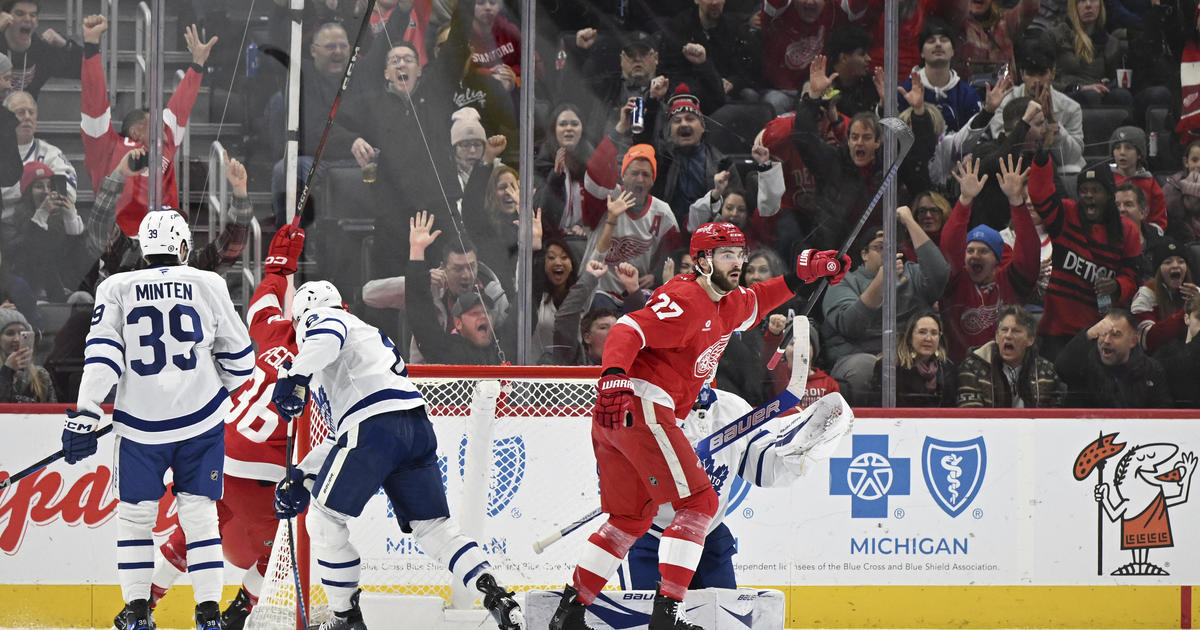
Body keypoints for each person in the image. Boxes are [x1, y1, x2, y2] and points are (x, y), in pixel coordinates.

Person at [547, 221, 849, 630]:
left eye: (740, 255)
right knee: (699, 505)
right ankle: (667, 616)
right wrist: (614, 372)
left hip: (622, 418)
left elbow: (761, 298)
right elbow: (627, 328)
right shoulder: (685, 298)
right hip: (642, 403)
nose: (738, 263)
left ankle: (570, 613)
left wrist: (805, 273)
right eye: (727, 255)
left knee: (630, 519)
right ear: (703, 261)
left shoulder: (727, 302)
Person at [269, 280, 524, 630]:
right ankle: (497, 595)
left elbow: (326, 337)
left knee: (324, 520)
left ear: (301, 317)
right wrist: (301, 474)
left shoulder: (323, 320)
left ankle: (345, 618)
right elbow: (341, 440)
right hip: (414, 427)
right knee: (434, 529)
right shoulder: (363, 340)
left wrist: (294, 375)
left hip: (373, 426)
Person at [108, 226, 314, 630]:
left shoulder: (274, 332)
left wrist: (279, 265)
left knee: (194, 530)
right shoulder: (328, 358)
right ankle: (237, 611)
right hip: (264, 474)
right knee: (285, 545)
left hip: (223, 449)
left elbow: (262, 303)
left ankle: (142, 604)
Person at [60, 210, 255, 630]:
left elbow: (102, 356)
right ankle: (207, 615)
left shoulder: (115, 287)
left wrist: (86, 412)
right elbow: (241, 362)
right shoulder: (209, 283)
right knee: (201, 516)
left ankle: (135, 613)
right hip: (202, 424)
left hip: (140, 427)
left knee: (135, 519)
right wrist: (214, 389)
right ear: (183, 247)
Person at [626, 386, 852, 590]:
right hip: (654, 541)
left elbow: (764, 468)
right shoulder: (643, 409)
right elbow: (619, 478)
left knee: (722, 619)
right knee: (651, 623)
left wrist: (800, 448)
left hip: (708, 541)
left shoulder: (732, 409)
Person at [81, 15, 214, 237]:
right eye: (154, 122)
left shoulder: (165, 144)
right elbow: (94, 102)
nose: (163, 126)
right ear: (135, 131)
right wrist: (91, 47)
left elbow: (180, 106)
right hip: (121, 247)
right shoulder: (106, 147)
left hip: (166, 245)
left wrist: (197, 65)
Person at [821, 213, 949, 404]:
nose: (886, 253)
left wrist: (909, 221)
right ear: (864, 254)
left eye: (891, 248)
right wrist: (882, 281)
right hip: (858, 356)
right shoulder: (845, 281)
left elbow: (940, 275)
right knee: (868, 366)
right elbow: (850, 324)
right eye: (880, 248)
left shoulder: (911, 273)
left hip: (905, 355)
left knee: (936, 365)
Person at [1029, 156, 1141, 359]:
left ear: (1109, 195)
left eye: (1096, 190)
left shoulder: (1127, 230)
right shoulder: (1066, 214)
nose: (1089, 196)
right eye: (1084, 191)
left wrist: (1117, 285)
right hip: (1056, 329)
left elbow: (1133, 274)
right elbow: (1039, 196)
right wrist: (1042, 157)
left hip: (1101, 330)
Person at [581, 99, 682, 310]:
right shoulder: (606, 197)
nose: (640, 180)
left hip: (635, 296)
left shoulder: (662, 214)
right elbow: (594, 174)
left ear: (653, 180)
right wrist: (619, 131)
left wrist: (654, 276)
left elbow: (673, 253)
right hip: (596, 292)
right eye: (634, 173)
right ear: (622, 175)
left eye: (646, 174)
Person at [939, 156, 1040, 362]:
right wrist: (964, 201)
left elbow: (1029, 251)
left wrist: (1016, 202)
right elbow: (949, 248)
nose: (975, 255)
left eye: (983, 251)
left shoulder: (1010, 281)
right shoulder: (956, 282)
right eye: (970, 250)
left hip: (1007, 370)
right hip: (961, 371)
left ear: (997, 259)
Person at [406, 211, 514, 364]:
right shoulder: (446, 352)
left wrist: (535, 252)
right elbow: (420, 316)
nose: (466, 275)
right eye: (475, 313)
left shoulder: (501, 348)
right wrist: (417, 253)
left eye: (486, 312)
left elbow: (522, 317)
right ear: (457, 323)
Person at [4, 160, 95, 301]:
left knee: (83, 298)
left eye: (49, 186)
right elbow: (27, 255)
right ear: (28, 193)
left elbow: (81, 265)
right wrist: (42, 214)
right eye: (39, 186)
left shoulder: (60, 225)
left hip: (61, 293)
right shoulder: (13, 225)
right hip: (30, 294)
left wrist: (70, 218)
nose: (46, 191)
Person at [1054, 308, 1172, 407]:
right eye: (1103, 333)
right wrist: (1088, 334)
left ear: (1133, 341)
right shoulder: (1084, 363)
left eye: (1116, 335)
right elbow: (1061, 368)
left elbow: (1163, 415)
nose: (1106, 340)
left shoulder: (1151, 370)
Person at [957, 304, 1065, 407]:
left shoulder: (1047, 372)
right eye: (1004, 330)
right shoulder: (972, 368)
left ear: (1030, 340)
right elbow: (971, 417)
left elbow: (1054, 419)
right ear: (997, 337)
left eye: (1016, 331)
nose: (1008, 336)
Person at [898, 16, 980, 132]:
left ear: (953, 51)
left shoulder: (967, 94)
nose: (938, 44)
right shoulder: (905, 91)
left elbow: (978, 140)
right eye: (931, 41)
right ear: (921, 52)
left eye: (944, 40)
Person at [1048, 0, 1132, 109]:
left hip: (1097, 91)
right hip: (1068, 91)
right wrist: (1078, 88)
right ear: (1073, 6)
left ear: (1100, 5)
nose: (1088, 5)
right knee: (1090, 96)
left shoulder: (1111, 43)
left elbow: (1112, 78)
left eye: (1093, 0)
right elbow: (1045, 79)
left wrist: (1110, 83)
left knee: (1122, 96)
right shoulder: (1055, 35)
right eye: (1081, 1)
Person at [2, 90, 76, 206]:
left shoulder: (51, 154)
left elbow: (67, 195)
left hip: (39, 220)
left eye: (31, 113)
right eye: (20, 112)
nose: (27, 117)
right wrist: (33, 187)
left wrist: (17, 191)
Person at [871, 310, 957, 407]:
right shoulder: (889, 368)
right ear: (909, 336)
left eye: (934, 333)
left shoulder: (947, 369)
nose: (928, 338)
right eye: (922, 332)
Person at [0, 0, 82, 98]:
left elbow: (88, 72)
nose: (27, 19)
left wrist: (66, 45)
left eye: (33, 15)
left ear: (37, 23)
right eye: (19, 13)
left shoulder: (42, 52)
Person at [1131, 239, 1200, 340]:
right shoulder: (1145, 296)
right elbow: (1148, 341)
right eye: (1168, 262)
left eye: (1181, 261)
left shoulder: (1196, 292)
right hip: (1160, 355)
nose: (1175, 265)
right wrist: (1186, 312)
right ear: (1158, 271)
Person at [1109, 127, 1168, 236]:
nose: (1122, 152)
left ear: (1139, 154)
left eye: (1128, 148)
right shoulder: (1106, 179)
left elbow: (1159, 221)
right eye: (1117, 148)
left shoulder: (1150, 183)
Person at [0, 306, 50, 402]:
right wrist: (7, 371)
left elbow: (54, 412)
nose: (17, 339)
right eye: (10, 333)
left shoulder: (41, 374)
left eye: (22, 333)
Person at [1163, 139, 1200, 244]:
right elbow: (1174, 215)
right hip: (1182, 240)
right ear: (1186, 162)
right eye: (1194, 160)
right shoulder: (1173, 185)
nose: (1199, 165)